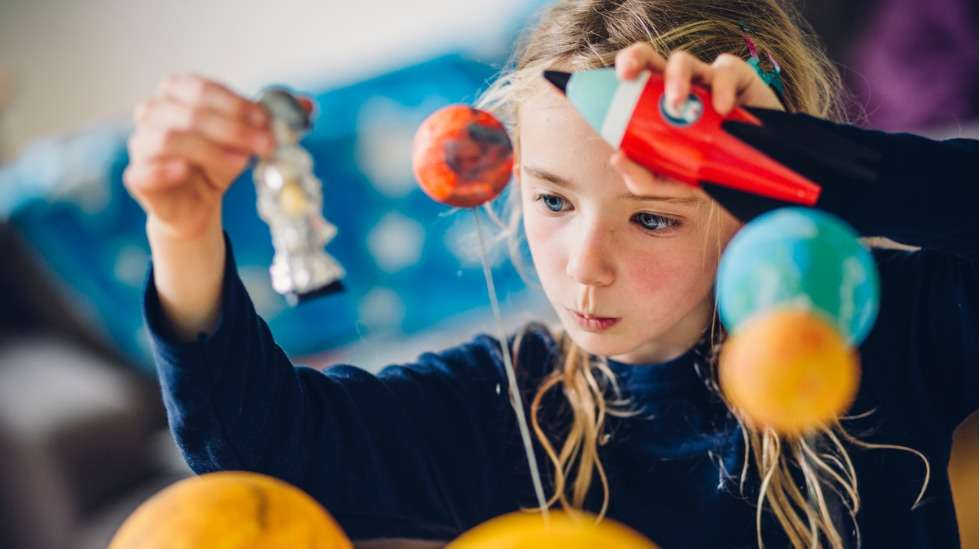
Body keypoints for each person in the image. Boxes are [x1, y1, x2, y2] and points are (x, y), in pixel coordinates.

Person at [123, 1, 977, 547]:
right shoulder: (514, 405)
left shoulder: (885, 330)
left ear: (756, 210)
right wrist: (182, 229)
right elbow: (261, 448)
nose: (582, 267)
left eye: (651, 217)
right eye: (554, 201)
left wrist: (810, 159)